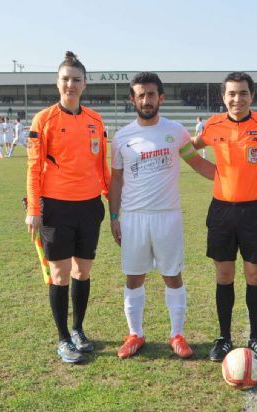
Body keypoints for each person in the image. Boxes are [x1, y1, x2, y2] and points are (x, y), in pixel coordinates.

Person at [109, 72, 215, 360]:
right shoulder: (121, 137)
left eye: (151, 94)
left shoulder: (176, 131)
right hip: (133, 217)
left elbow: (197, 163)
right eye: (140, 95)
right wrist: (114, 216)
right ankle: (135, 334)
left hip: (167, 216)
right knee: (134, 277)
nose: (146, 100)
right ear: (132, 100)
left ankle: (176, 334)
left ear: (161, 98)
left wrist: (230, 178)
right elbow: (116, 179)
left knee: (172, 275)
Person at [192, 72, 257, 363]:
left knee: (254, 275)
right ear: (224, 97)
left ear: (252, 96)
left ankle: (256, 337)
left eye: (243, 93)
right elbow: (189, 149)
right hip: (221, 211)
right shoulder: (212, 125)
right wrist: (213, 174)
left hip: (254, 212)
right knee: (224, 275)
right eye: (232, 94)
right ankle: (224, 338)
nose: (237, 99)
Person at [25, 51, 111, 364]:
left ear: (84, 84)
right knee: (60, 275)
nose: (70, 85)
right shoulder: (44, 119)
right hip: (56, 207)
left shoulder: (95, 120)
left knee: (82, 272)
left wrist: (110, 202)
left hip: (89, 207)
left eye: (76, 80)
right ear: (57, 82)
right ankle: (63, 339)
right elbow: (34, 167)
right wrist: (34, 209)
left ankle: (78, 330)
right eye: (65, 79)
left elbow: (102, 166)